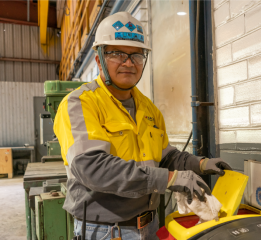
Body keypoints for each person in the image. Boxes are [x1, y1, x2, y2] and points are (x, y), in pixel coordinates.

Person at [54, 12, 232, 240]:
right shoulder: (80, 104)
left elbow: (165, 157)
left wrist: (202, 163)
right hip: (105, 230)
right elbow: (92, 168)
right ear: (98, 59)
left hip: (149, 225)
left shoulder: (149, 109)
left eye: (137, 55)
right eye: (117, 54)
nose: (129, 63)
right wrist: (169, 179)